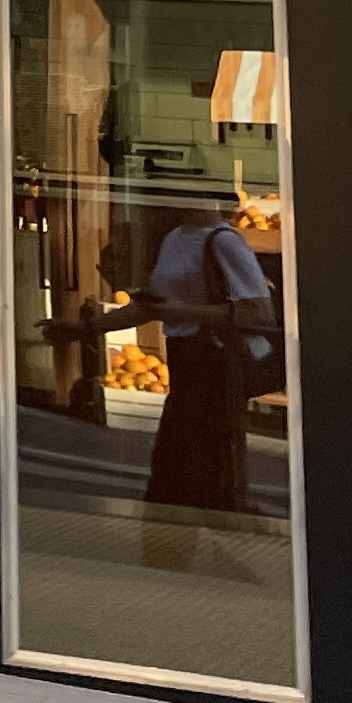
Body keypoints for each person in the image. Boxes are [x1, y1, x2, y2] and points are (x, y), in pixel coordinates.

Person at [141, 193, 276, 527]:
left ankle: (208, 542)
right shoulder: (174, 238)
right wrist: (87, 327)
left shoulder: (225, 240)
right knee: (174, 468)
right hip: (183, 364)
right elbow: (154, 307)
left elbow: (258, 311)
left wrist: (183, 312)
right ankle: (175, 546)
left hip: (213, 364)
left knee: (202, 467)